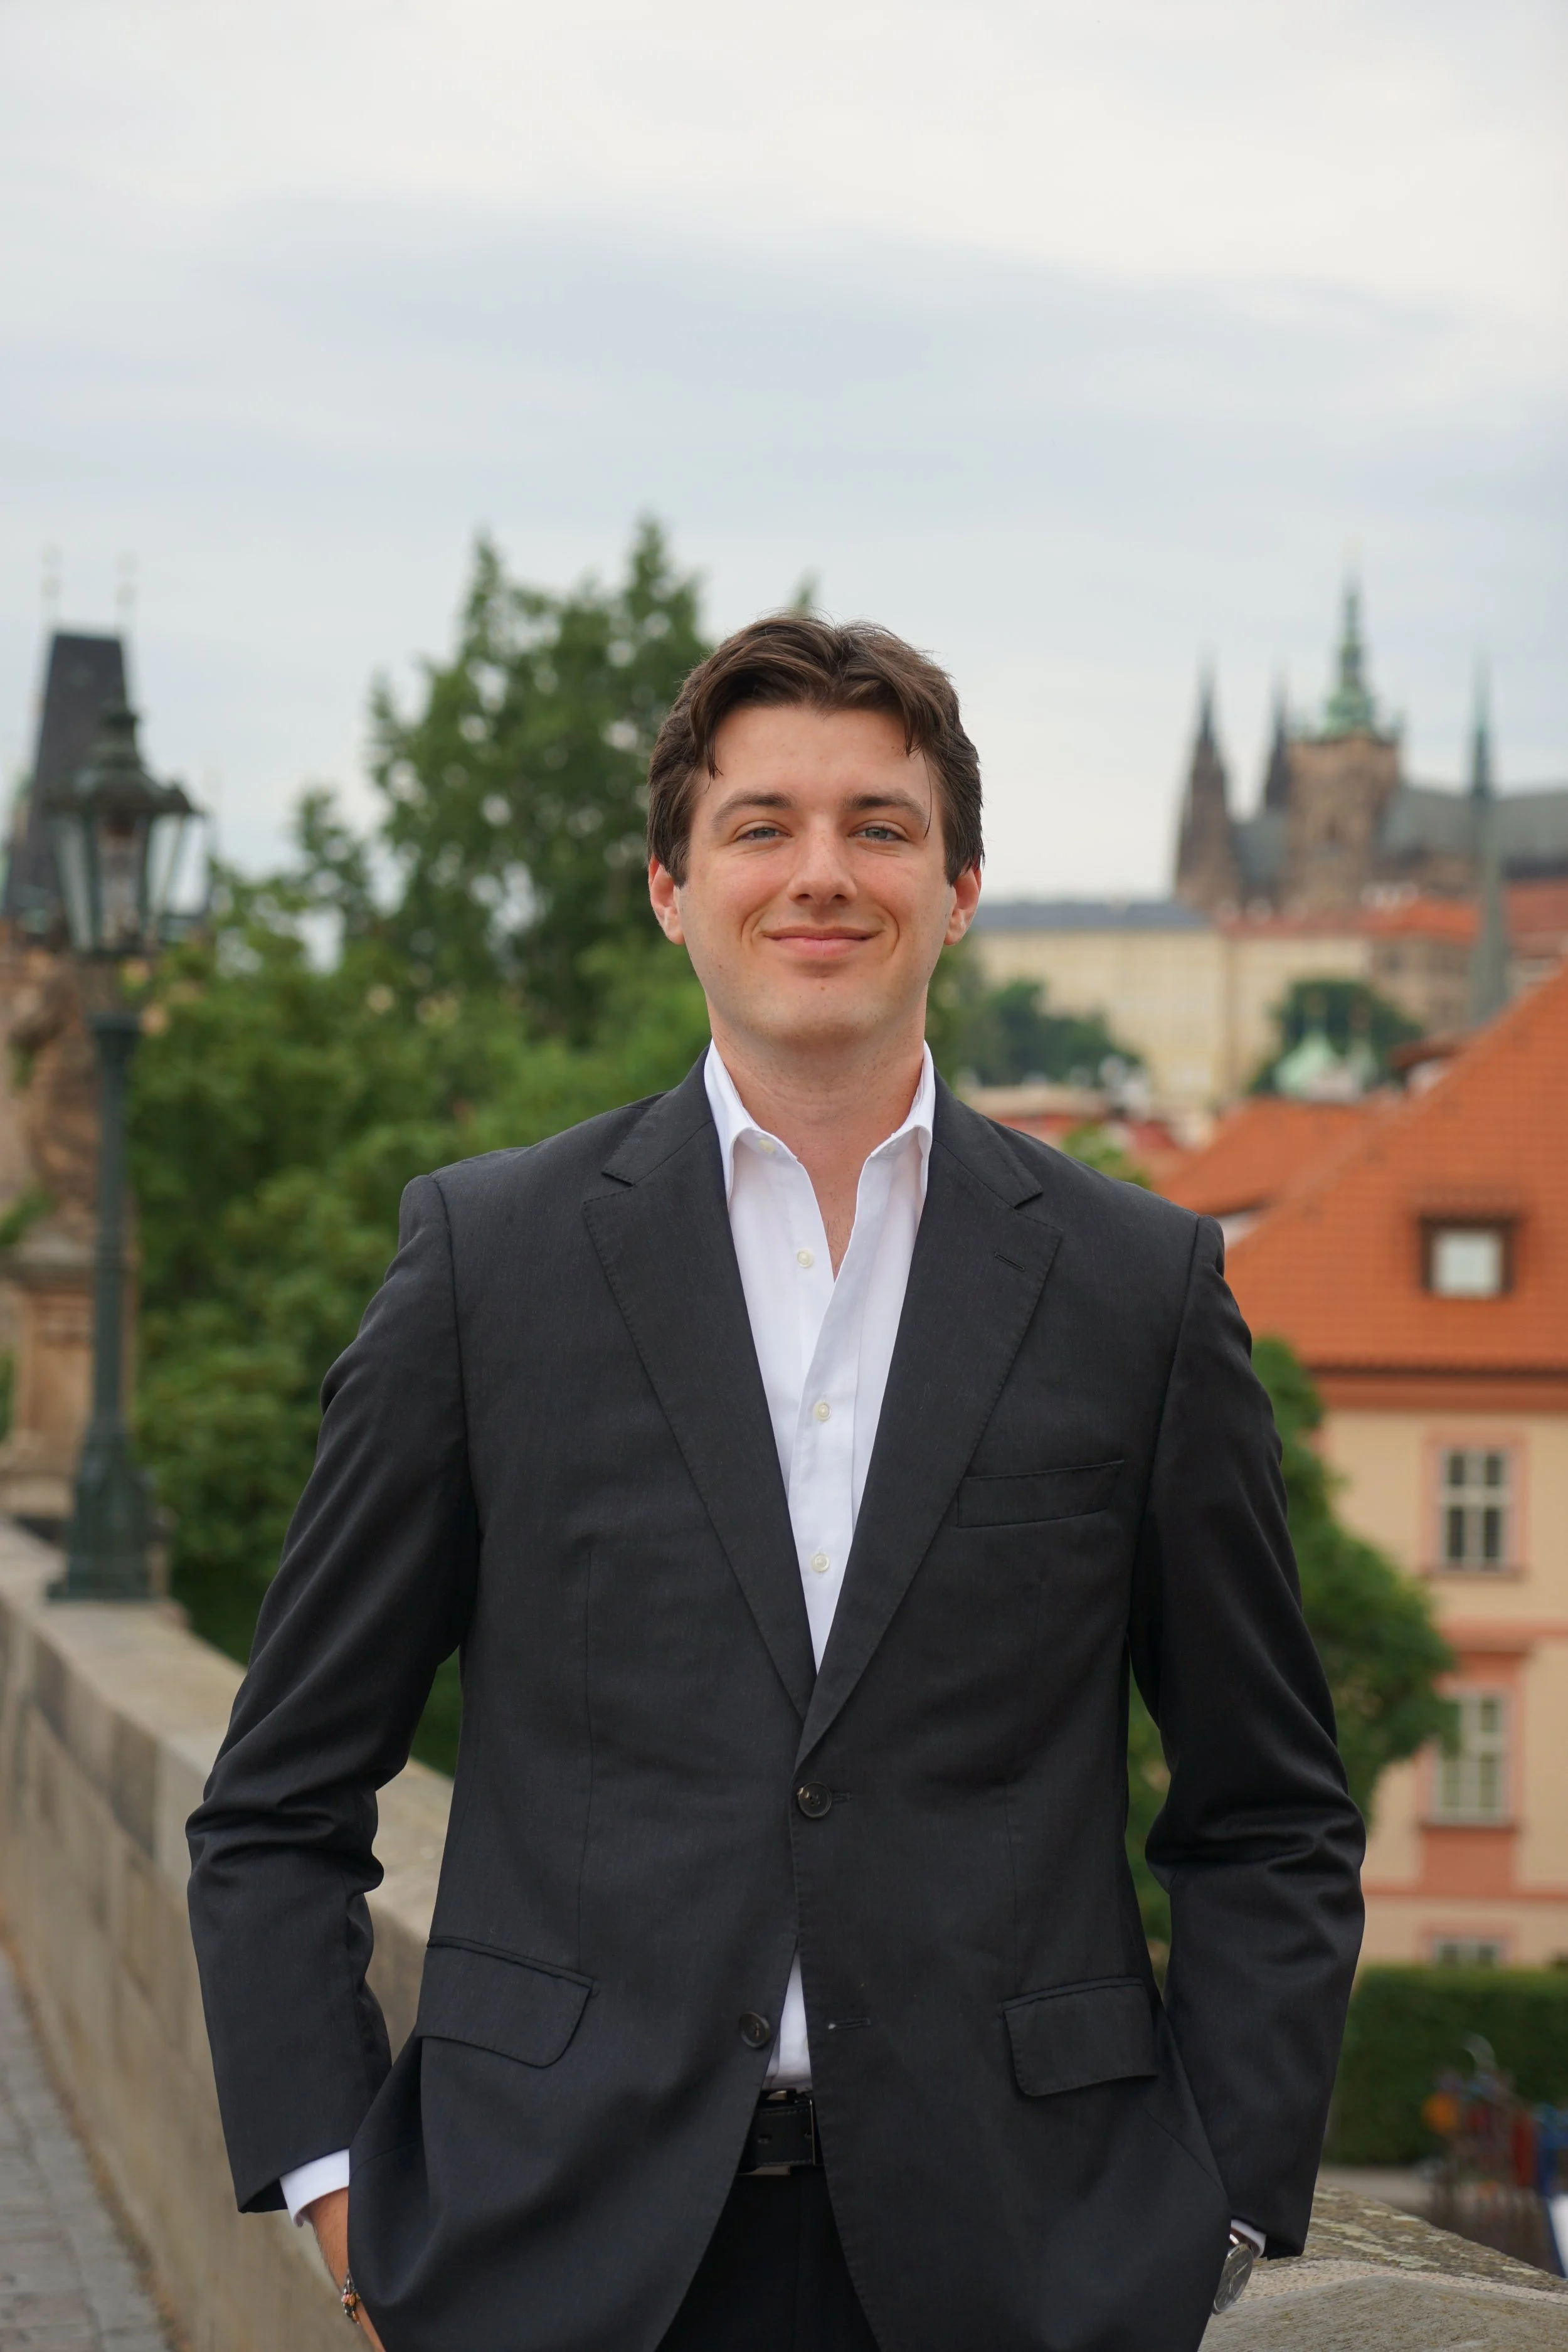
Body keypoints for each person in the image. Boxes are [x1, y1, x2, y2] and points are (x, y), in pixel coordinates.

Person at [188, 617, 1364, 2352]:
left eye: (878, 826)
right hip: (553, 2250)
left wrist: (1225, 2203)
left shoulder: (1139, 1288)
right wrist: (341, 2190)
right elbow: (277, 1799)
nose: (821, 873)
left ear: (959, 888)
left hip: (1021, 2261)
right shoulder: (487, 1264)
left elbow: (1268, 1813)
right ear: (672, 887)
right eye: (761, 826)